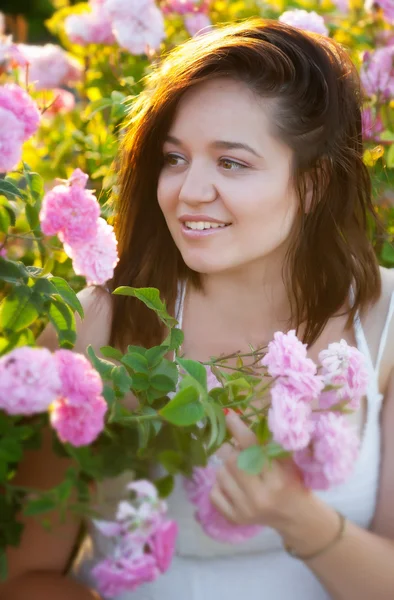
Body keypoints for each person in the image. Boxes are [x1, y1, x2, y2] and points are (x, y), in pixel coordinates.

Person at [1, 17, 394, 600]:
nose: (188, 191)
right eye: (175, 158)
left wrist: (296, 516)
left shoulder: (383, 323)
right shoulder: (103, 326)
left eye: (230, 163)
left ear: (310, 185)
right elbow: (24, 577)